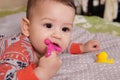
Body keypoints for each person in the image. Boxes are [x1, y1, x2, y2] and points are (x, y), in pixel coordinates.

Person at [0, 0, 100, 80]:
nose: (58, 35)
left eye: (65, 29)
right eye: (48, 25)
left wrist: (82, 47)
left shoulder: (47, 43)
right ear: (27, 27)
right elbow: (5, 76)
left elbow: (64, 45)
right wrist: (42, 72)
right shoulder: (19, 50)